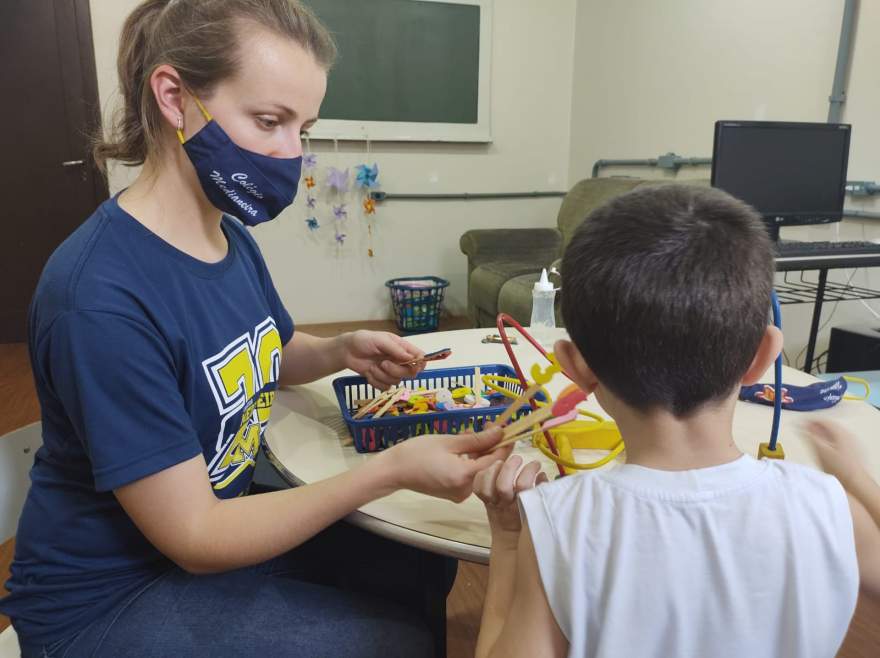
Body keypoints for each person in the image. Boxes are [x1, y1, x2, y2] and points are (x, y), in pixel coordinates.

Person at [0, 1, 505, 655]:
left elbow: (262, 349)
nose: (291, 154)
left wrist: (338, 350)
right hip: (109, 598)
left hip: (201, 537)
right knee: (388, 641)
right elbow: (197, 537)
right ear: (175, 97)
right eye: (270, 121)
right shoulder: (100, 298)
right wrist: (391, 470)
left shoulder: (226, 237)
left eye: (304, 128)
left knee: (419, 563)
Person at [471, 184, 880, 658]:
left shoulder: (560, 522)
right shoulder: (831, 509)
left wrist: (505, 541)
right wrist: (858, 480)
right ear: (764, 357)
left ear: (574, 368)